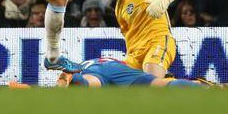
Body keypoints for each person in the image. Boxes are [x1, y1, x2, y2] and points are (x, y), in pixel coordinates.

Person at [88, 0, 186, 78]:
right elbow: (129, 37)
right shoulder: (118, 8)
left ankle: (197, 84)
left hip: (157, 41)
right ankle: (170, 81)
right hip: (135, 56)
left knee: (151, 82)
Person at [56, 58, 210, 88]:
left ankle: (66, 77)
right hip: (119, 69)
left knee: (87, 83)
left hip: (94, 71)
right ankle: (202, 85)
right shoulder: (116, 60)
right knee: (159, 84)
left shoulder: (84, 65)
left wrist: (63, 80)